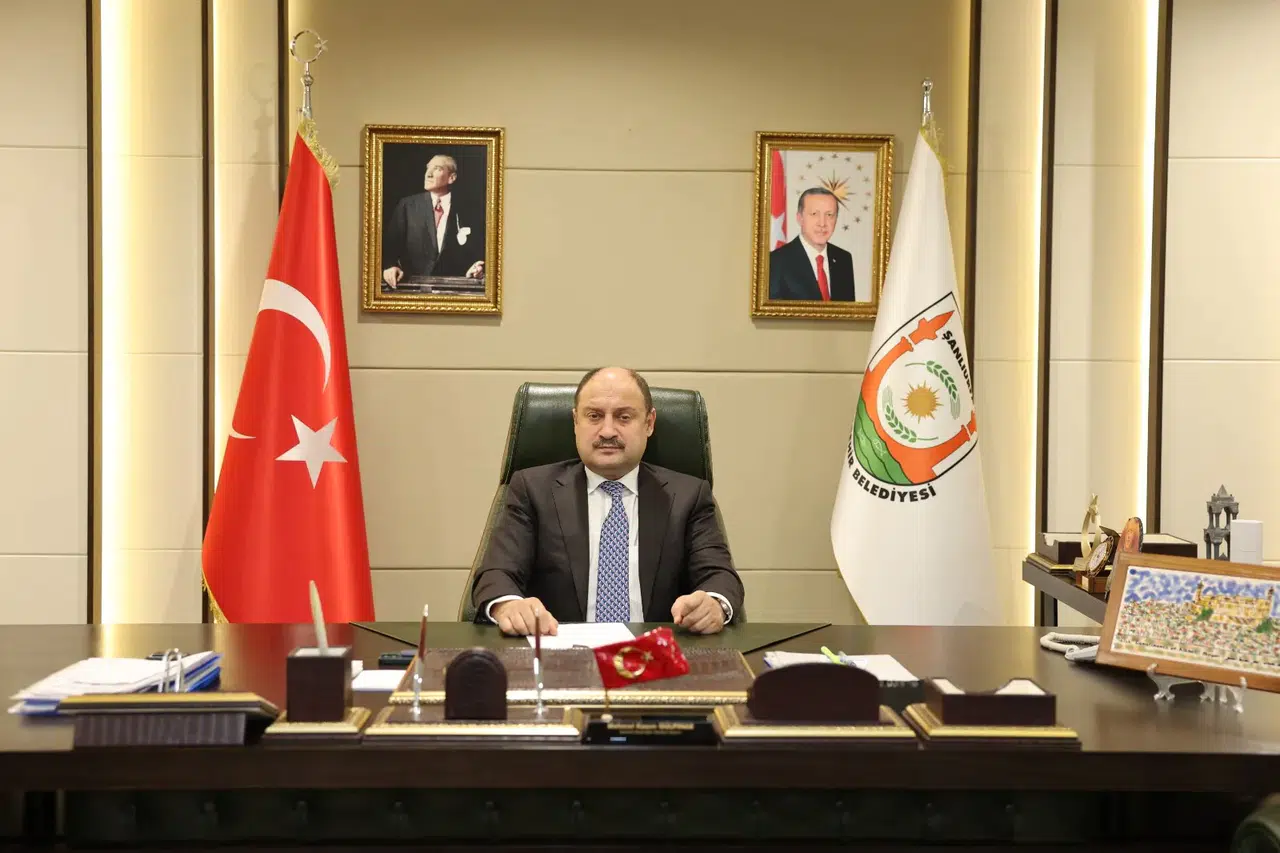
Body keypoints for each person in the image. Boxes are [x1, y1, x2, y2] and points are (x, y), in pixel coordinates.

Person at [472, 367, 745, 636]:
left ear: (649, 423)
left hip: (654, 654)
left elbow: (720, 577)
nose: (607, 431)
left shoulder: (688, 495)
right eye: (594, 416)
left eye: (624, 417)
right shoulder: (532, 490)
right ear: (575, 421)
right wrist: (510, 605)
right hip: (560, 650)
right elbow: (496, 574)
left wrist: (713, 603)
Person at [381, 154, 485, 289]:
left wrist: (475, 268)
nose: (428, 174)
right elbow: (390, 247)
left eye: (437, 169)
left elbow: (478, 252)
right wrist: (390, 266)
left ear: (451, 178)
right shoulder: (408, 206)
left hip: (454, 289)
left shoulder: (469, 209)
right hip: (411, 287)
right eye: (428, 168)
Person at [768, 187, 857, 302]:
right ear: (800, 218)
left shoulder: (843, 259)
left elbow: (848, 311)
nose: (822, 223)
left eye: (829, 215)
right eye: (814, 214)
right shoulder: (775, 261)